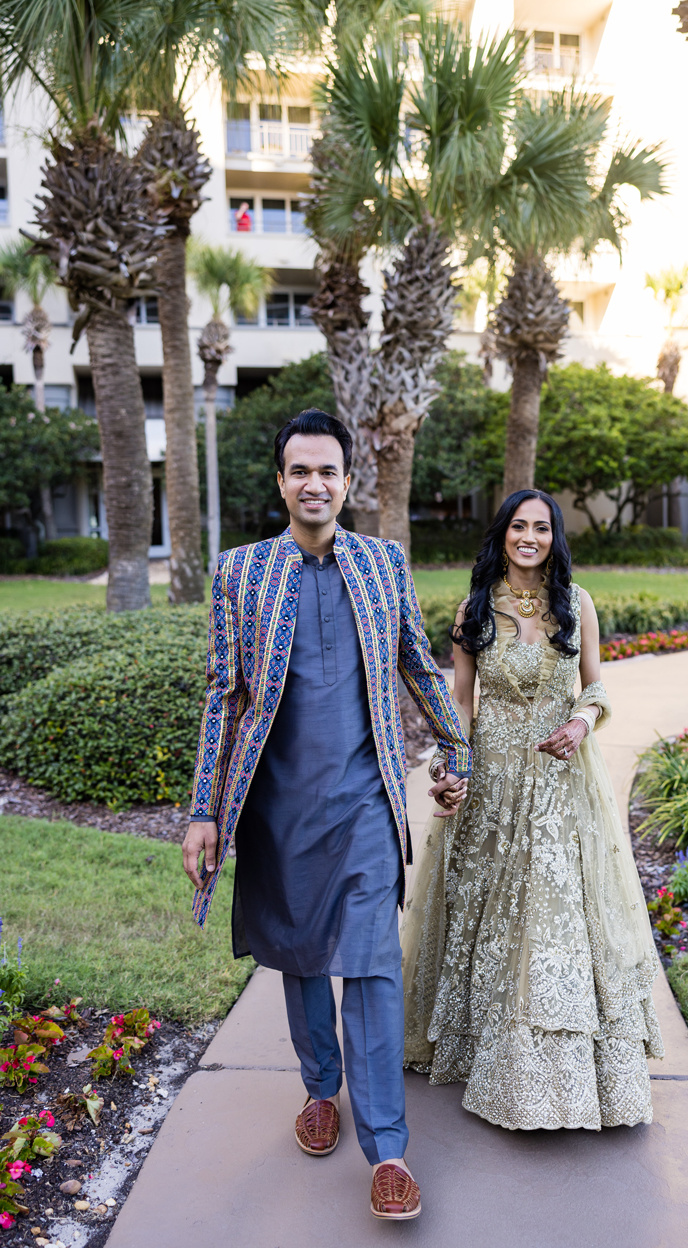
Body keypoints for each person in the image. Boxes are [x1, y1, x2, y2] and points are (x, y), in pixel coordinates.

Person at [182, 410, 471, 1220]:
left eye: (328, 471)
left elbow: (416, 662)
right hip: (277, 809)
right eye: (300, 471)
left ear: (348, 481)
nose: (315, 484)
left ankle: (389, 1148)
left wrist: (458, 745)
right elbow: (224, 694)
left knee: (372, 965)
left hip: (366, 803)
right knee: (302, 955)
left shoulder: (382, 562)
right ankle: (319, 1088)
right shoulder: (240, 572)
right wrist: (204, 809)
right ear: (281, 482)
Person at [401, 490, 664, 1131]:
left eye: (541, 527)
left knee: (550, 915)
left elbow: (595, 687)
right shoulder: (474, 608)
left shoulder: (577, 603)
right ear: (502, 534)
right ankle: (479, 1051)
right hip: (490, 781)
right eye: (518, 526)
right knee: (486, 914)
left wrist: (580, 723)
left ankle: (555, 1076)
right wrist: (451, 767)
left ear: (554, 537)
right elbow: (461, 701)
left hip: (558, 782)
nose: (529, 537)